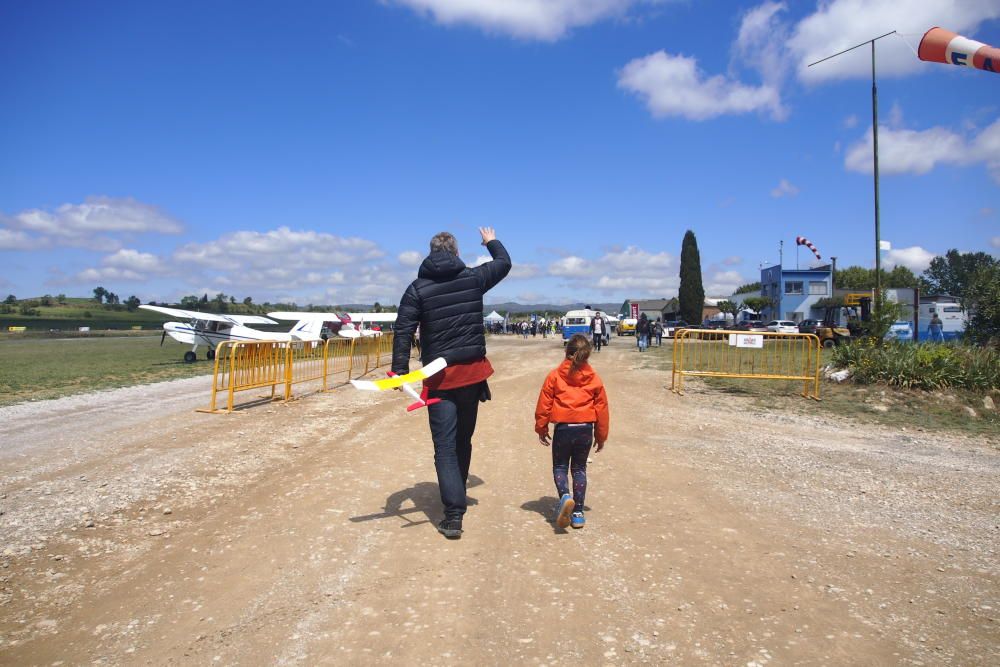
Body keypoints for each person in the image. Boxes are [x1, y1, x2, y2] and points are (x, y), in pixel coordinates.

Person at [391, 227, 512, 539]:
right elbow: (504, 262)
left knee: (444, 445)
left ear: (430, 254)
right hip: (472, 376)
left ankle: (454, 514)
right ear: (457, 253)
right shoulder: (473, 279)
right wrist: (490, 242)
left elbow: (403, 329)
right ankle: (457, 495)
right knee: (462, 440)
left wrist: (399, 370)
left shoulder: (417, 288)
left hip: (440, 379)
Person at [534, 334, 610, 530]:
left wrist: (541, 428)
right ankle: (578, 514)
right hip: (585, 429)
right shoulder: (594, 378)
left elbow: (544, 404)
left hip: (564, 429)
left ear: (566, 352)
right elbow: (602, 408)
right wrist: (601, 436)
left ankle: (565, 497)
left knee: (560, 467)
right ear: (587, 355)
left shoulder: (554, 375)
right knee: (579, 469)